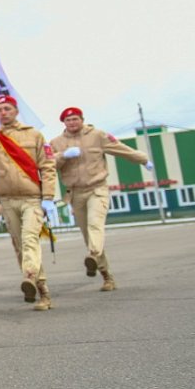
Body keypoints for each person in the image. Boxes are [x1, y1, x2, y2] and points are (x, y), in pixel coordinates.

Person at [0, 96, 60, 311]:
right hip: (8, 200)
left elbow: (47, 167)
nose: (3, 113)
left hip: (31, 198)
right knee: (20, 246)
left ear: (16, 111)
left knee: (29, 240)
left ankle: (34, 280)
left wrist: (48, 198)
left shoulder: (34, 135)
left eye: (7, 108)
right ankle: (38, 287)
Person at [51, 106, 151, 291]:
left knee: (95, 224)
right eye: (68, 120)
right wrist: (63, 155)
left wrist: (143, 159)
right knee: (88, 235)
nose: (72, 123)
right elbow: (48, 164)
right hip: (75, 193)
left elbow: (119, 148)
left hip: (97, 188)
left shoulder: (97, 135)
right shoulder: (56, 142)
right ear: (63, 123)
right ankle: (106, 275)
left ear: (82, 119)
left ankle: (93, 254)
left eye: (75, 119)